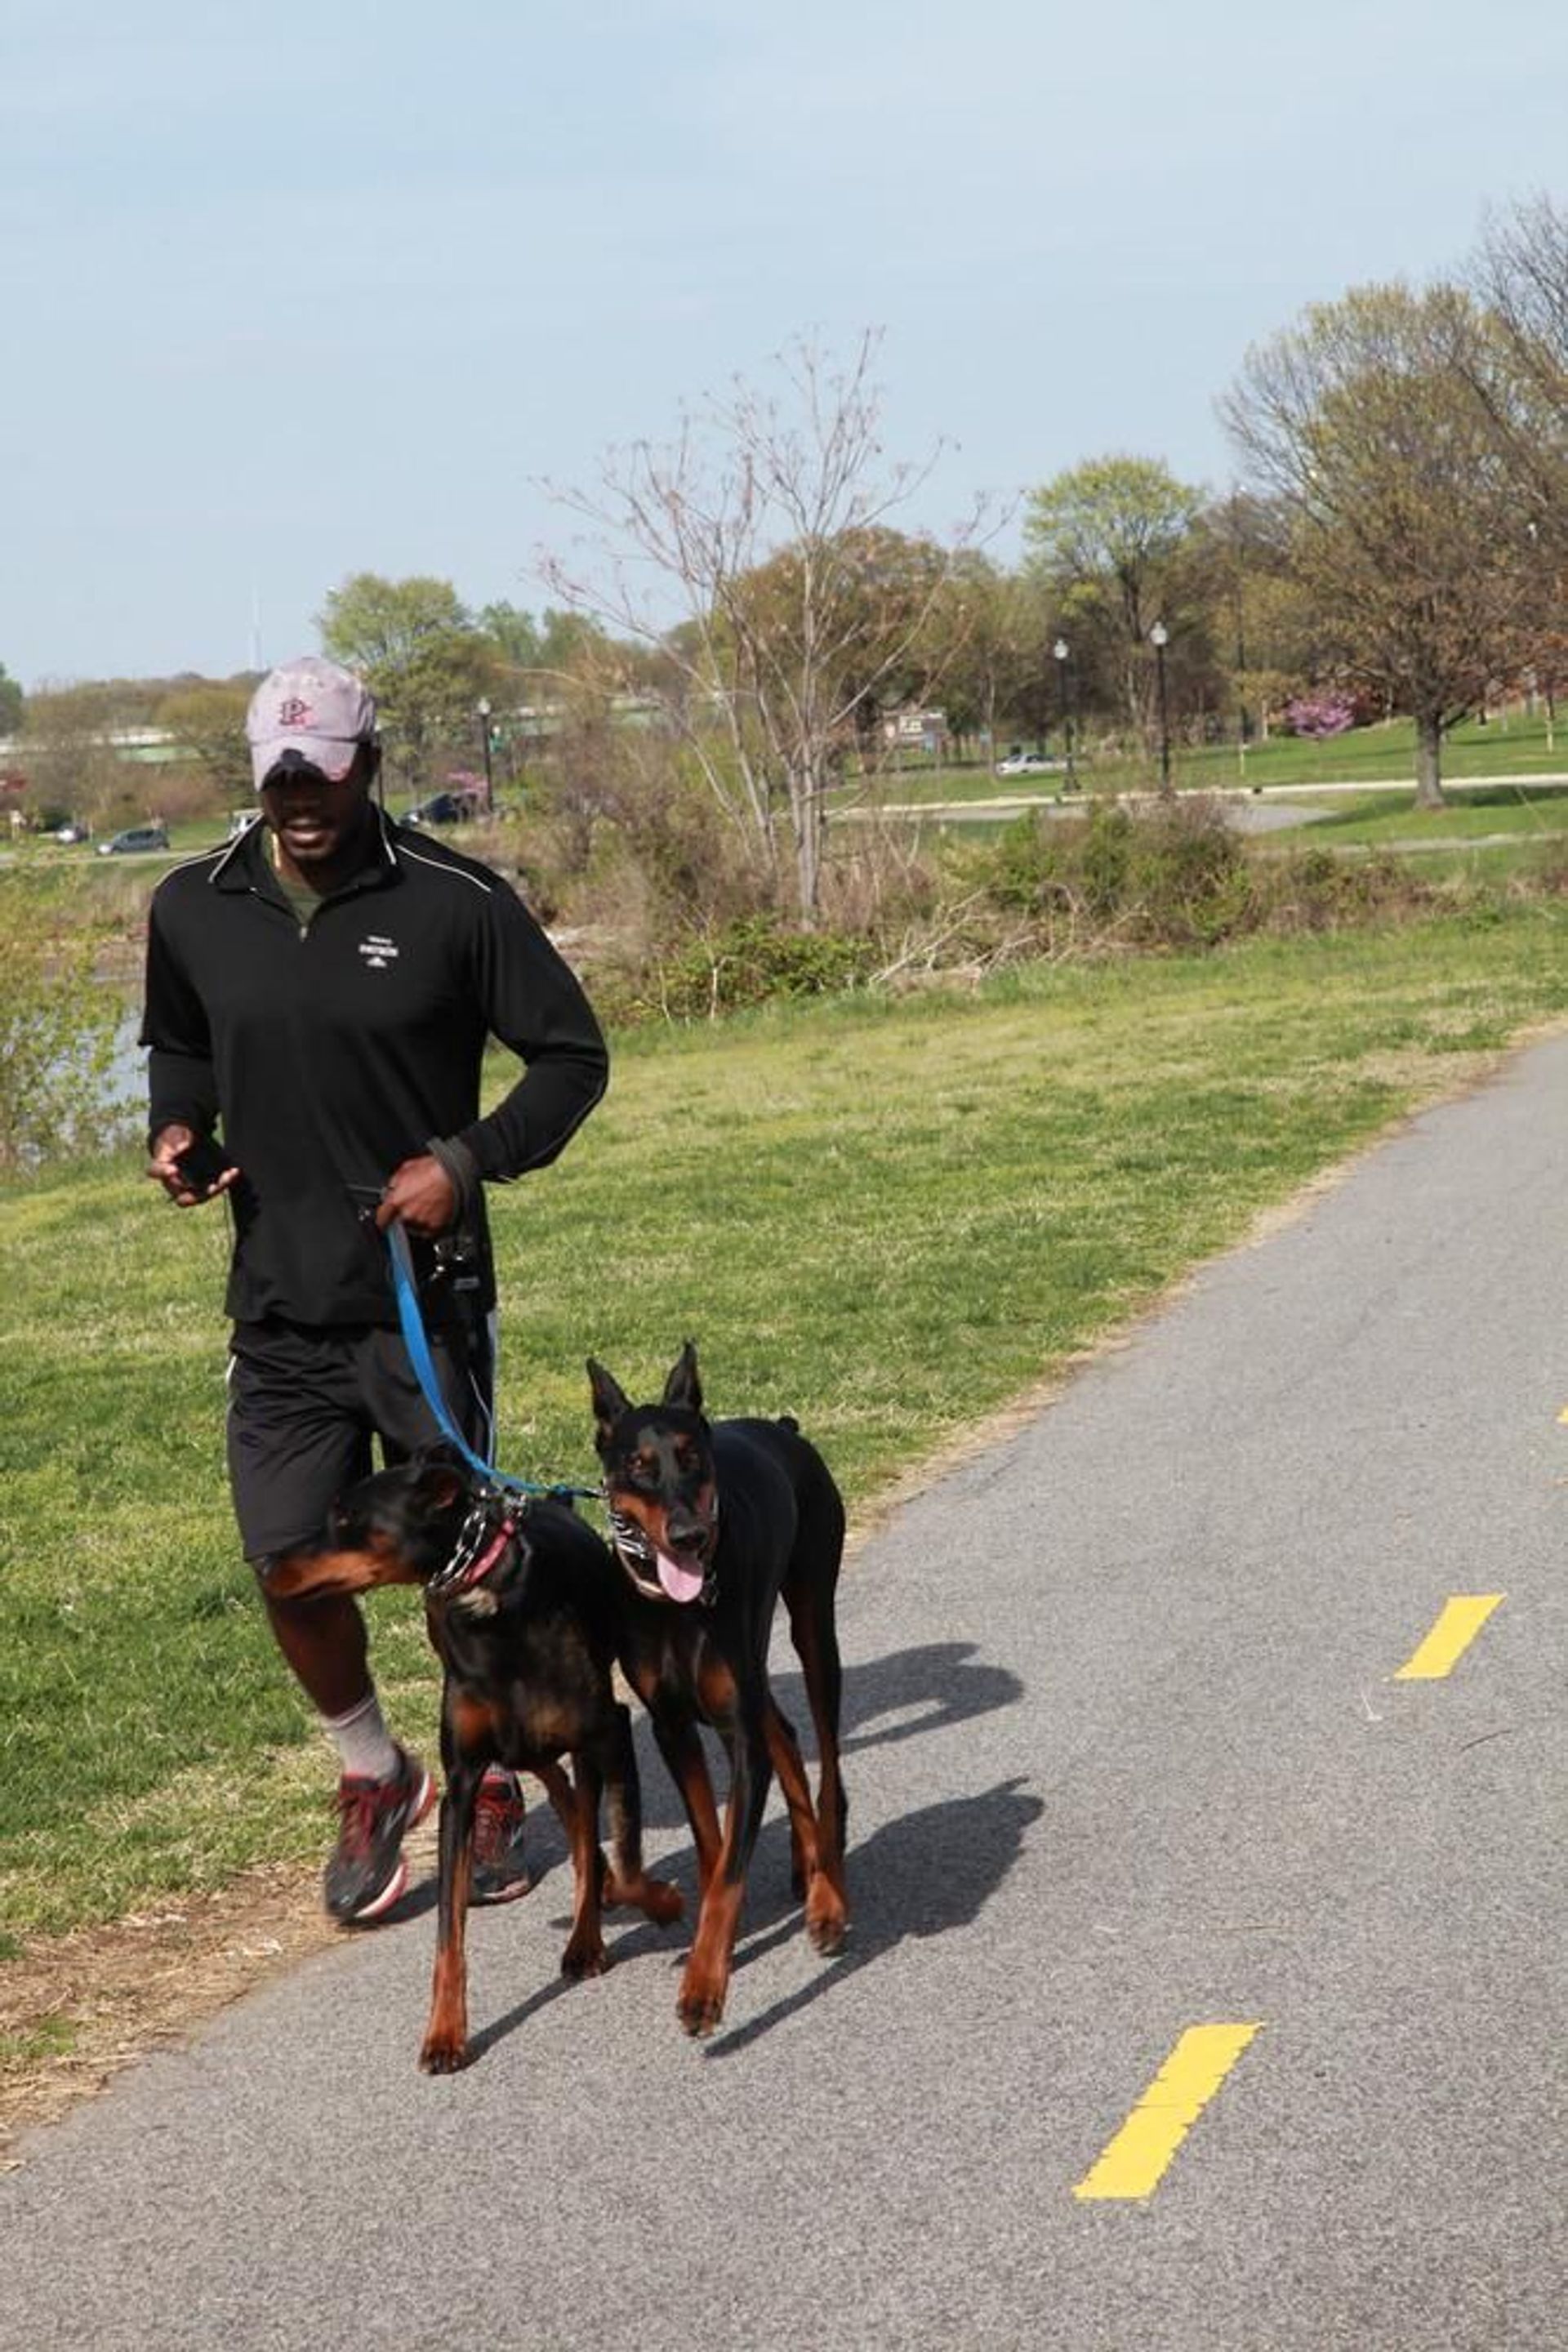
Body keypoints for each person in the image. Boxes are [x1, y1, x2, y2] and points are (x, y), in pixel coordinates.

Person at [141, 655, 608, 1924]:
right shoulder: (193, 904)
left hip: (424, 1298)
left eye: (324, 771)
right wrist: (179, 1129)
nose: (301, 796)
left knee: (470, 1563)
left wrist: (466, 1162)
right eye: (280, 774)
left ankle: (496, 1770)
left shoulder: (455, 900)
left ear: (372, 766)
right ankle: (374, 1767)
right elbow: (183, 1045)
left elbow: (572, 1059)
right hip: (280, 1303)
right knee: (289, 1560)